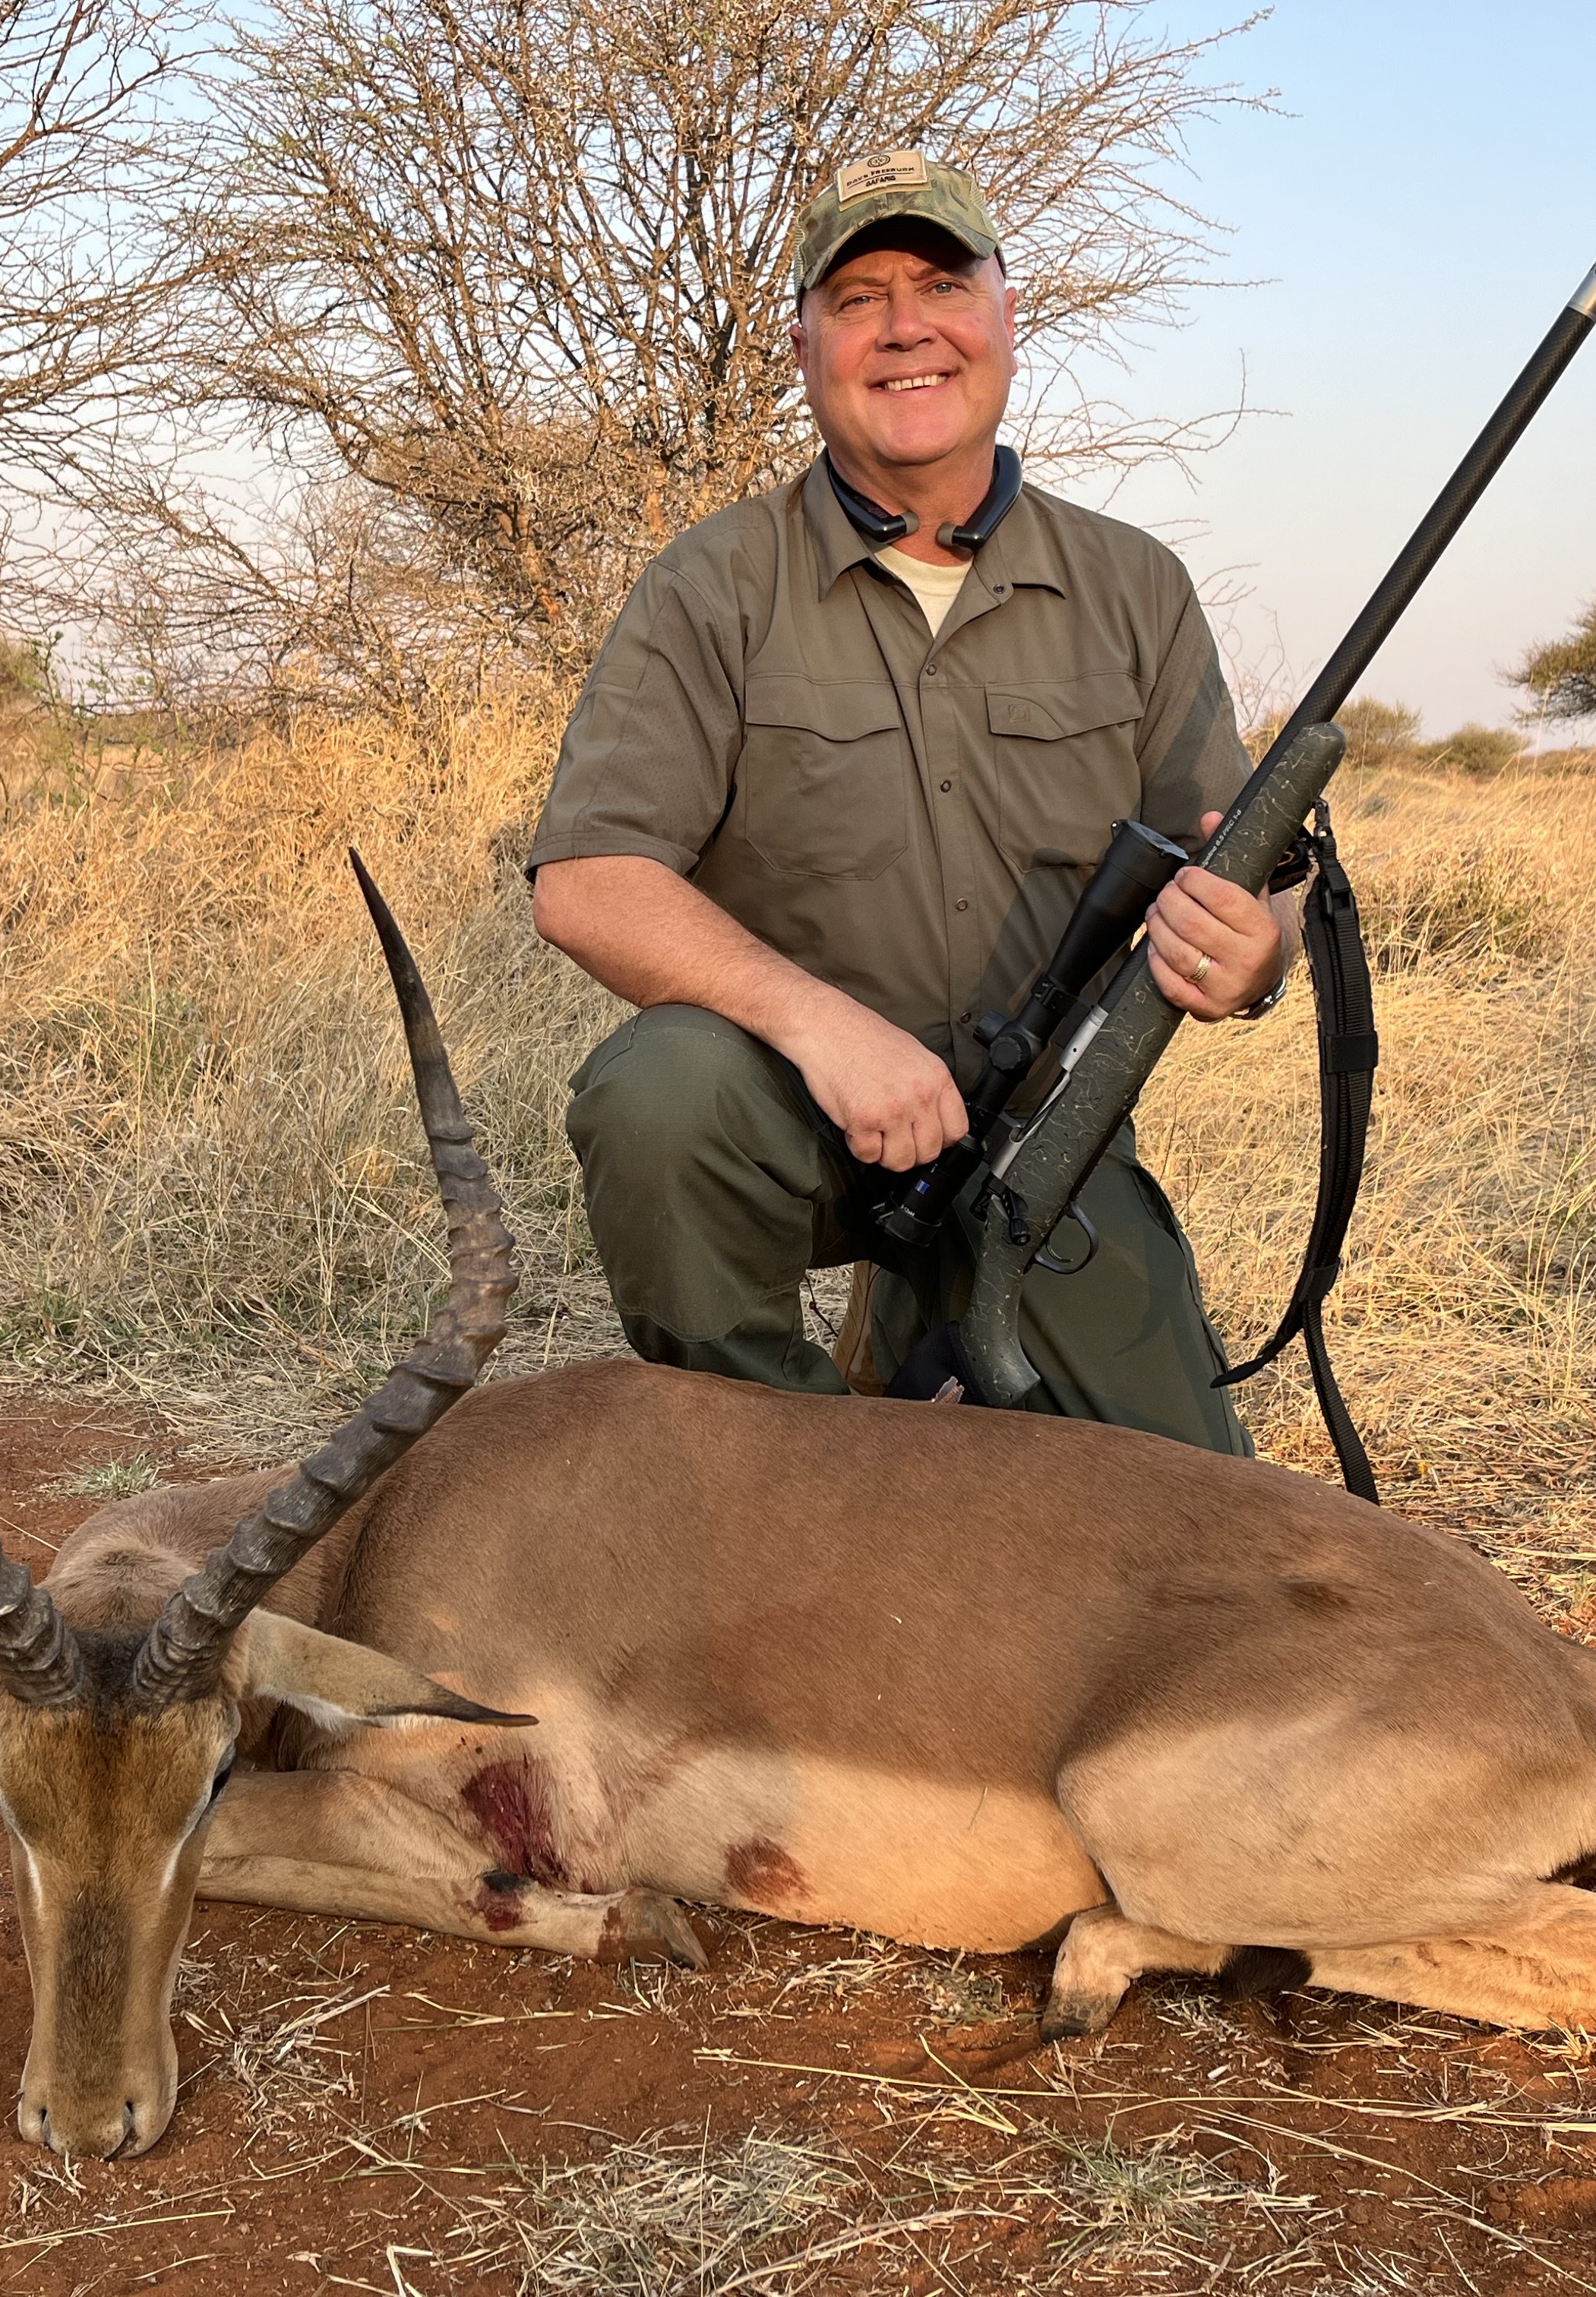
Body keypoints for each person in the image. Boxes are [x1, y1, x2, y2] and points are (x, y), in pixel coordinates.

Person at [526, 151, 1297, 1455]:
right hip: (800, 1112)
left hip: (1041, 1146)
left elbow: (1245, 860)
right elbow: (587, 879)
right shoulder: (711, 583)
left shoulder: (1134, 586)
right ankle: (801, 1459)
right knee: (657, 1091)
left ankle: (905, 1364)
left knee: (1200, 1524)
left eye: (941, 283)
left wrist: (1258, 949)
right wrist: (824, 1027)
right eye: (859, 296)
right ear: (805, 344)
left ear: (1005, 317)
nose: (904, 327)